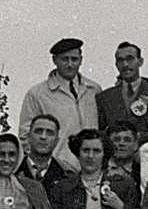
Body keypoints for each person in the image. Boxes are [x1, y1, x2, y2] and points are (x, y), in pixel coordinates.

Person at [17, 37, 101, 172]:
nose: (70, 64)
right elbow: (26, 135)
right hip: (57, 170)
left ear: (81, 60)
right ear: (54, 60)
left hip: (91, 169)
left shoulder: (93, 90)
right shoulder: (37, 94)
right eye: (64, 59)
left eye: (74, 59)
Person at [95, 41, 148, 136]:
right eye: (120, 60)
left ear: (140, 61)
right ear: (116, 64)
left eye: (130, 59)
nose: (125, 64)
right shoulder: (104, 98)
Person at [18, 113, 71, 197]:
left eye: (49, 133)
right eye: (38, 131)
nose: (43, 137)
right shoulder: (14, 171)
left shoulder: (67, 176)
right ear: (28, 137)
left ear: (57, 141)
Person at [105, 120, 143, 189]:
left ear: (136, 144)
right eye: (116, 139)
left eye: (127, 140)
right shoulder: (99, 169)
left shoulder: (143, 171)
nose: (121, 143)